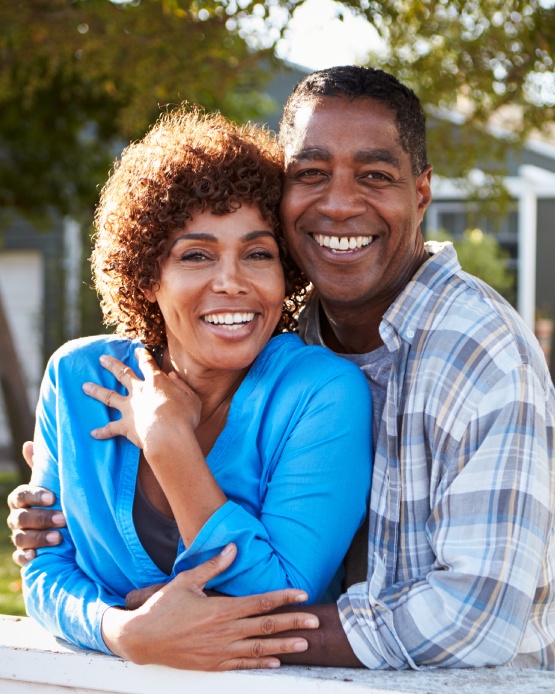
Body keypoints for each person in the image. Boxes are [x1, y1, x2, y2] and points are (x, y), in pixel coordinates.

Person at [9, 66, 555, 672]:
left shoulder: (480, 355)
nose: (337, 203)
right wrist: (123, 630)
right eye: (310, 174)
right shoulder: (296, 331)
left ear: (420, 194)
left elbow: (476, 618)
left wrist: (204, 629)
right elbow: (48, 564)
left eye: (375, 175)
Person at [16, 106, 372, 665]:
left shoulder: (321, 393)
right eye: (196, 255)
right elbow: (43, 569)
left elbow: (279, 599)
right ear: (147, 274)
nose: (231, 282)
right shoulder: (77, 379)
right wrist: (122, 630)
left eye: (258, 253)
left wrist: (167, 440)